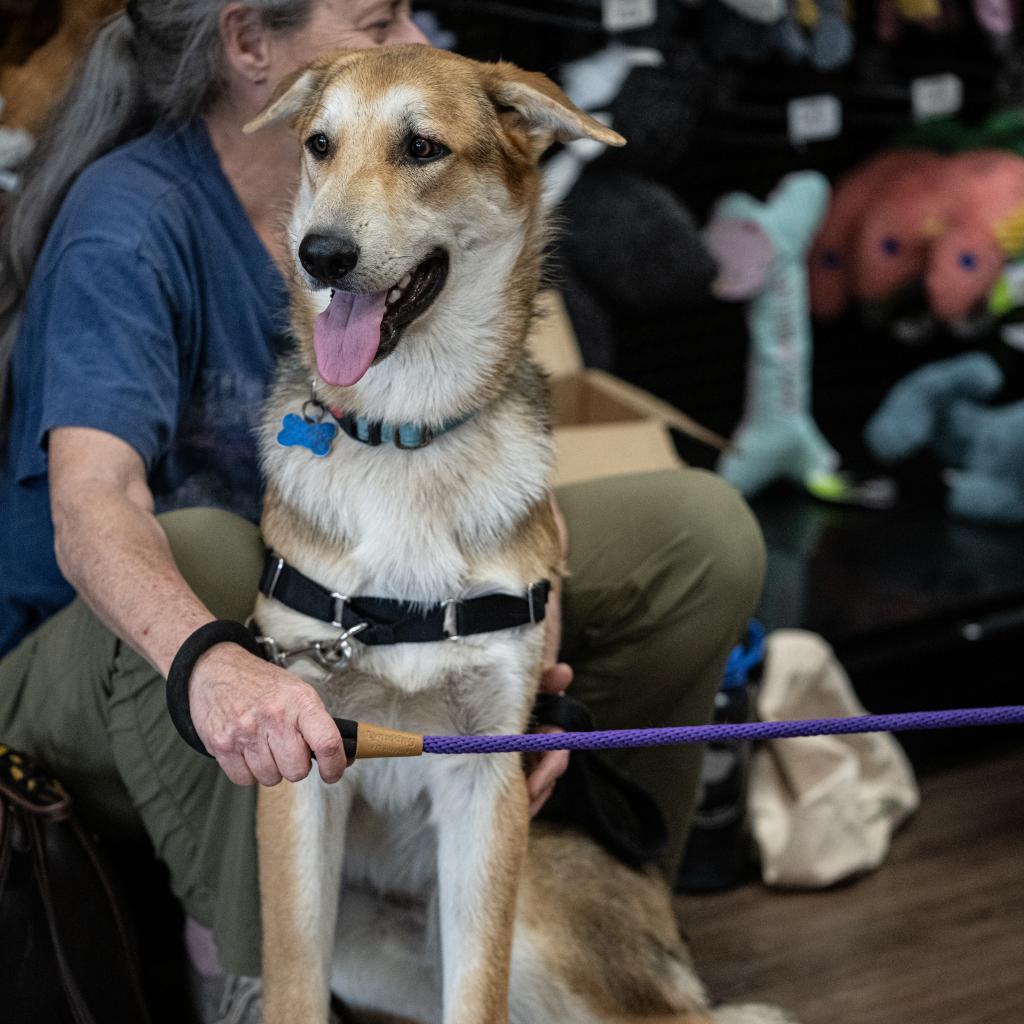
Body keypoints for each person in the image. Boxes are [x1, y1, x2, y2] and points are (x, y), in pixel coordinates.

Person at [0, 2, 766, 1021]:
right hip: (93, 661)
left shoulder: (436, 238)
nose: (415, 34)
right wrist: (212, 665)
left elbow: (488, 446)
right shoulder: (132, 220)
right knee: (214, 558)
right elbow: (93, 503)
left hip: (354, 576)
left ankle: (602, 923)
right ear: (251, 46)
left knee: (694, 533)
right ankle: (250, 963)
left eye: (407, 9)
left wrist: (530, 617)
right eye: (376, 19)